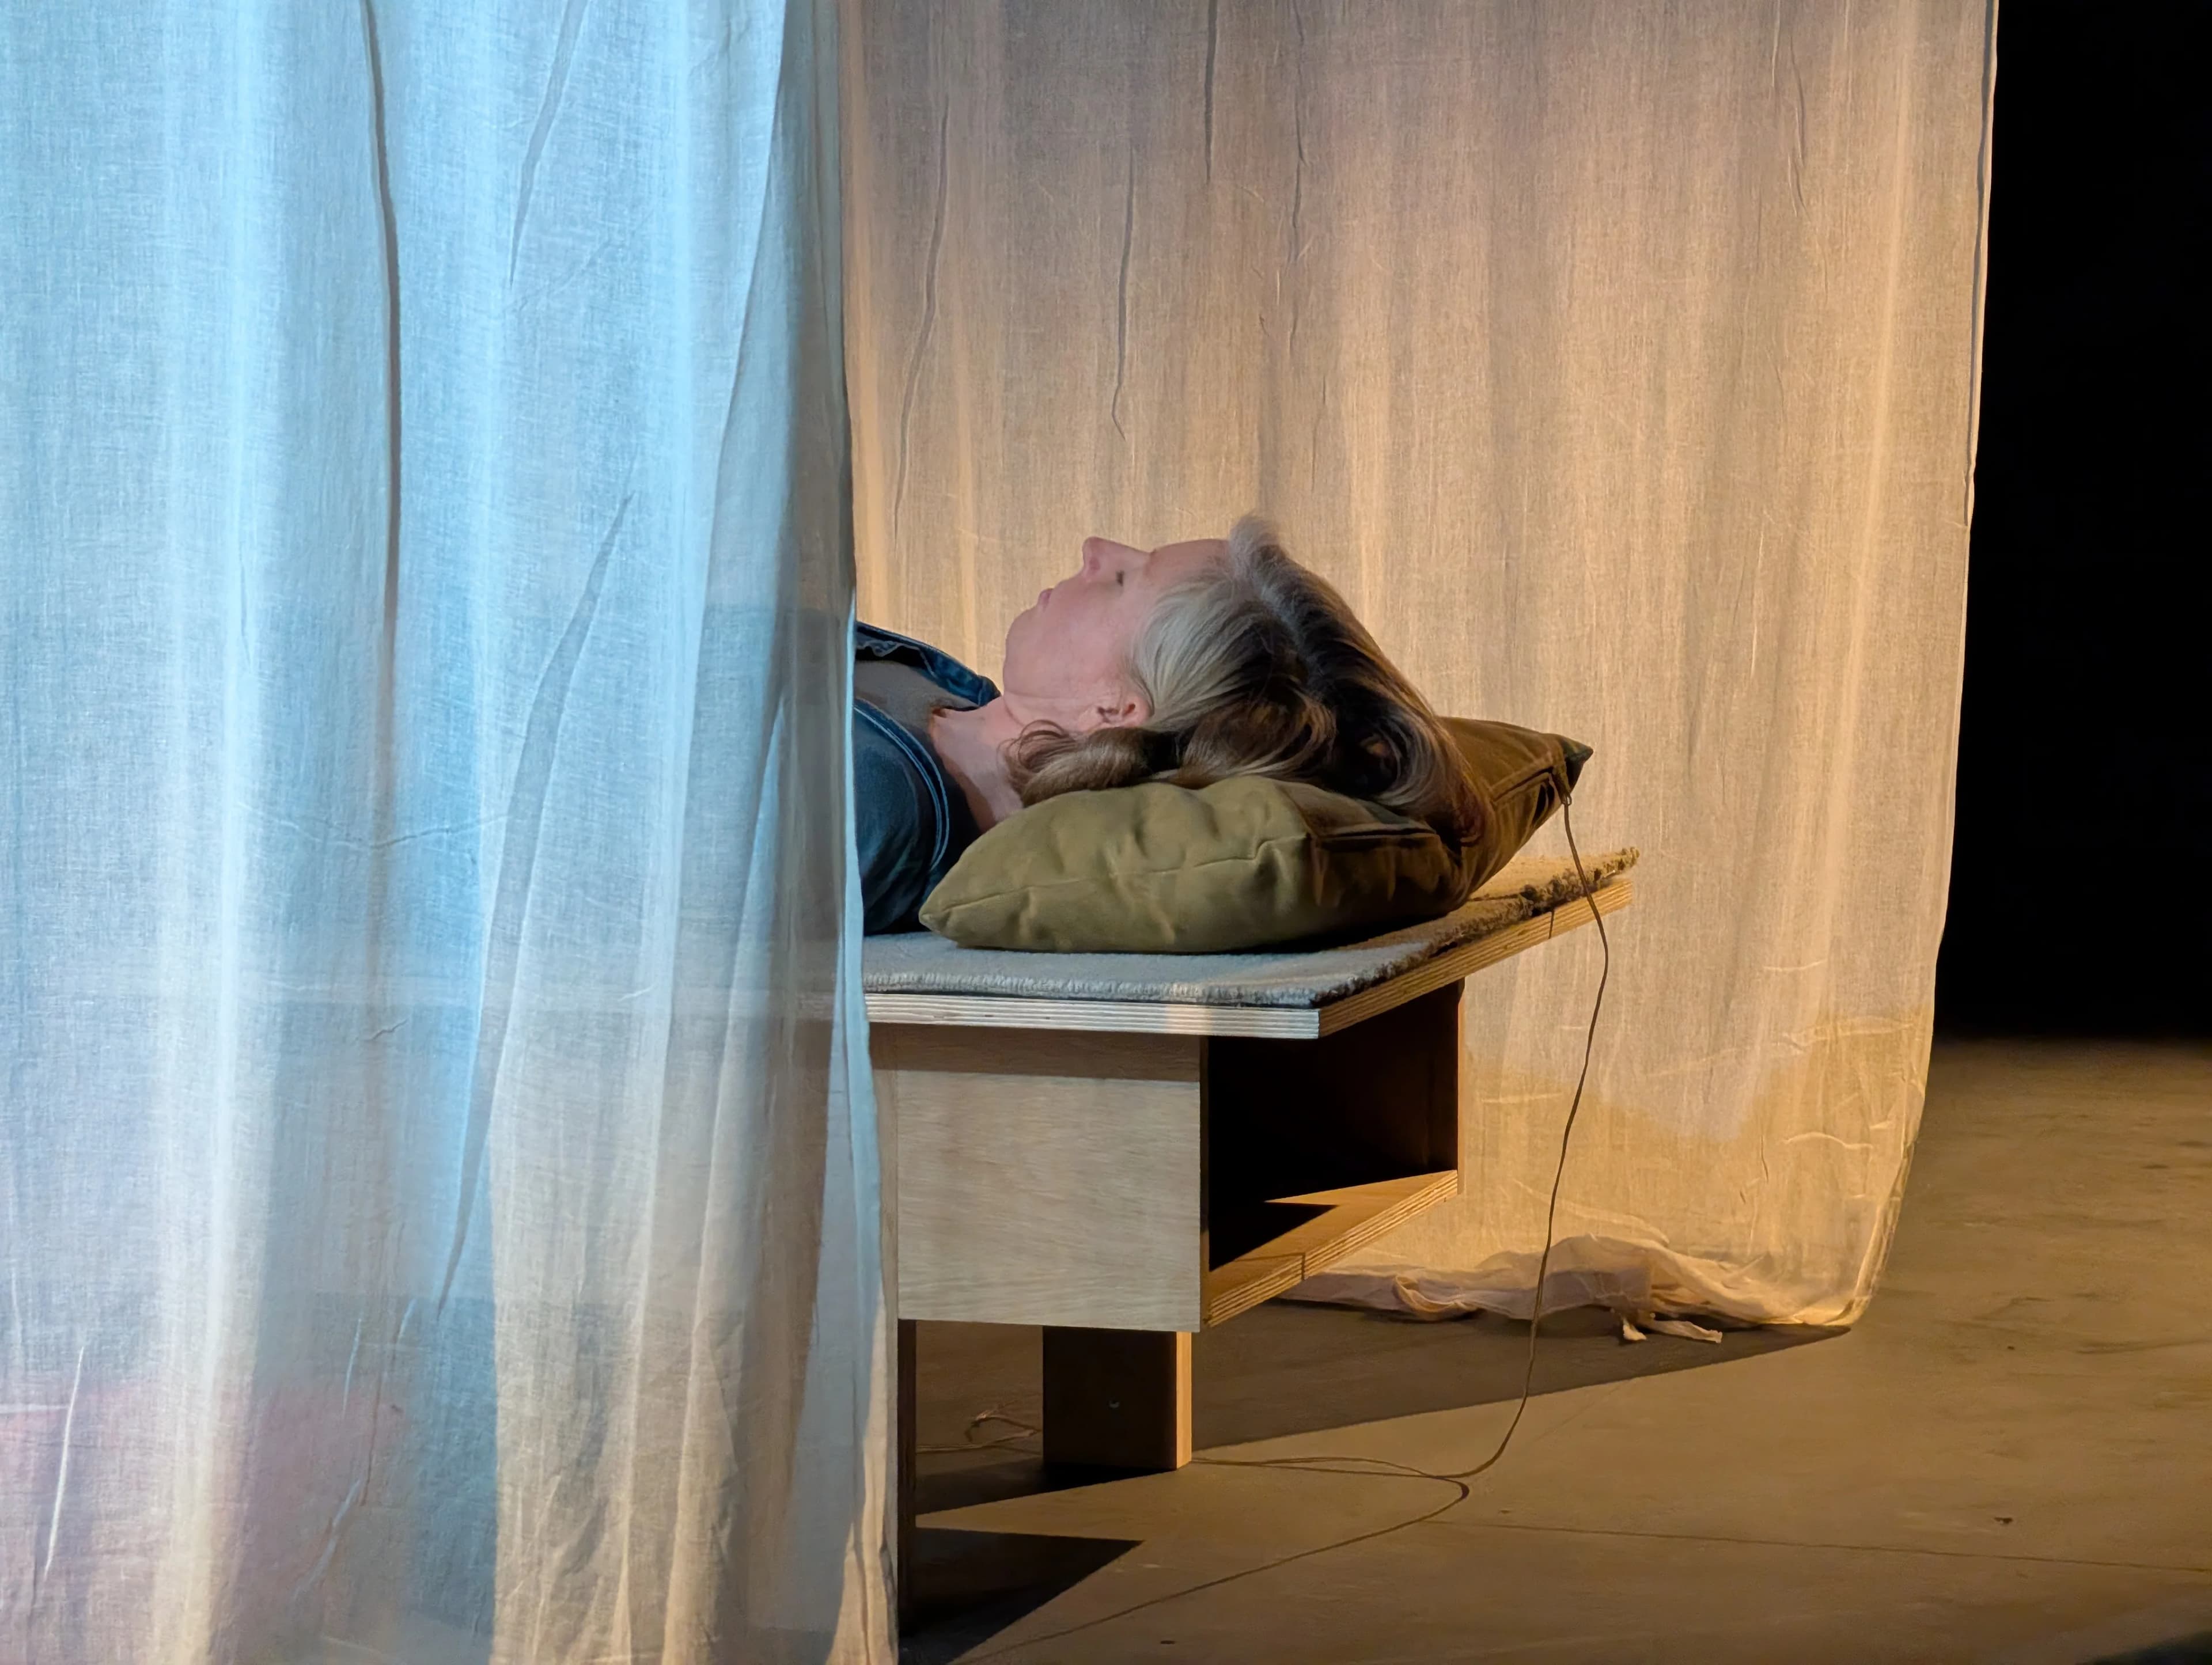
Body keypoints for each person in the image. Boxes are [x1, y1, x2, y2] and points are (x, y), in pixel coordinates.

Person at [854, 515, 1482, 933]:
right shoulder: (954, 699)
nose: (1094, 550)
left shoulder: (880, 803)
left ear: (1117, 708)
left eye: (1125, 578)